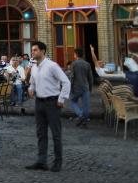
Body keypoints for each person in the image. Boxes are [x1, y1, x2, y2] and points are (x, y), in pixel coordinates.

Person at [26, 41, 71, 173]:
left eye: (35, 50)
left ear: (43, 51)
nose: (32, 52)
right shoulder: (34, 67)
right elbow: (32, 83)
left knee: (56, 134)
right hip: (39, 102)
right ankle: (41, 161)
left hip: (52, 102)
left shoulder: (52, 66)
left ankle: (57, 162)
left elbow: (66, 82)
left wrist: (62, 98)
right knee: (41, 133)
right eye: (32, 50)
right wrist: (31, 89)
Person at [69, 48, 93, 127]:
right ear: (82, 55)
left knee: (73, 101)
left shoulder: (74, 64)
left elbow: (72, 77)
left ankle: (80, 115)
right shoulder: (87, 64)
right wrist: (90, 88)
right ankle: (85, 121)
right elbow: (90, 78)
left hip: (76, 87)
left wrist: (70, 87)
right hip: (85, 87)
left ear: (76, 54)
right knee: (86, 105)